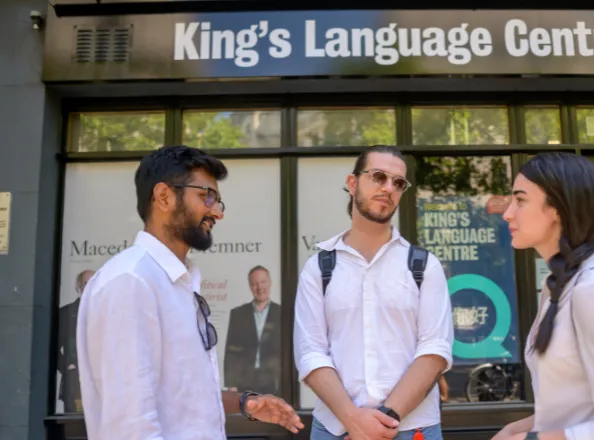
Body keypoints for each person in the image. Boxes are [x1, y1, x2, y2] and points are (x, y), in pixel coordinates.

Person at [76, 145, 303, 439]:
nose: (217, 212)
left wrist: (243, 403)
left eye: (218, 200)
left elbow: (178, 394)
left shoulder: (178, 281)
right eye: (206, 196)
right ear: (164, 196)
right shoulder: (130, 282)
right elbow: (130, 425)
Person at [492, 152, 594, 440]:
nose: (508, 213)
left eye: (520, 200)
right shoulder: (558, 285)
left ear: (557, 207)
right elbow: (577, 407)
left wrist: (530, 439)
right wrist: (519, 428)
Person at [293, 145, 454, 440]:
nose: (388, 188)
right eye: (378, 176)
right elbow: (310, 353)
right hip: (336, 429)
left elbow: (434, 350)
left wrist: (384, 420)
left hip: (411, 427)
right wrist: (353, 419)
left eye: (398, 183)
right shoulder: (319, 268)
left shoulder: (423, 266)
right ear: (353, 183)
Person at [224, 265, 282, 395]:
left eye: (263, 282)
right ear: (250, 287)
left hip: (273, 381)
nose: (260, 287)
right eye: (255, 284)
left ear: (270, 283)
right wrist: (231, 384)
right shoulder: (238, 314)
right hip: (244, 382)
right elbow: (231, 351)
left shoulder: (282, 313)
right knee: (245, 416)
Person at [57, 269, 94, 413]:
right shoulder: (66, 313)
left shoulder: (108, 312)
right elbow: (52, 348)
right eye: (87, 283)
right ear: (79, 287)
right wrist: (67, 367)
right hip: (75, 382)